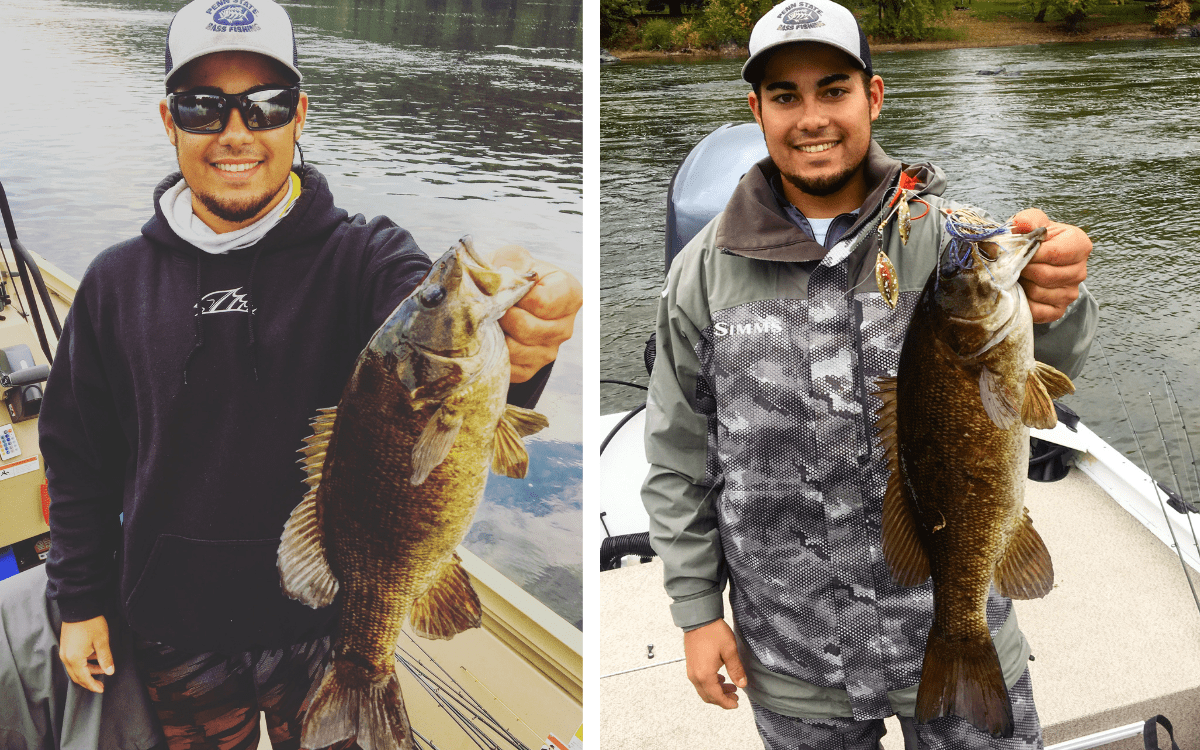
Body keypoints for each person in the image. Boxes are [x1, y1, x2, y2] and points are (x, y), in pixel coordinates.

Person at [39, 0, 581, 748]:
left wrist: (526, 346)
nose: (236, 132)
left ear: (301, 115)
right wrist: (78, 599)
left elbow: (439, 372)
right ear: (169, 120)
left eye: (265, 105)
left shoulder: (366, 258)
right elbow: (77, 456)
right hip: (172, 625)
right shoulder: (112, 283)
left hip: (330, 621)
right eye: (204, 106)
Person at [640, 2, 1097, 748]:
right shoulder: (700, 276)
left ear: (873, 97)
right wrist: (696, 612)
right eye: (784, 96)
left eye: (833, 89)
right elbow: (677, 459)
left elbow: (1045, 376)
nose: (811, 116)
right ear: (756, 109)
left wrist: (1059, 293)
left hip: (955, 630)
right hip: (792, 660)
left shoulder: (958, 243)